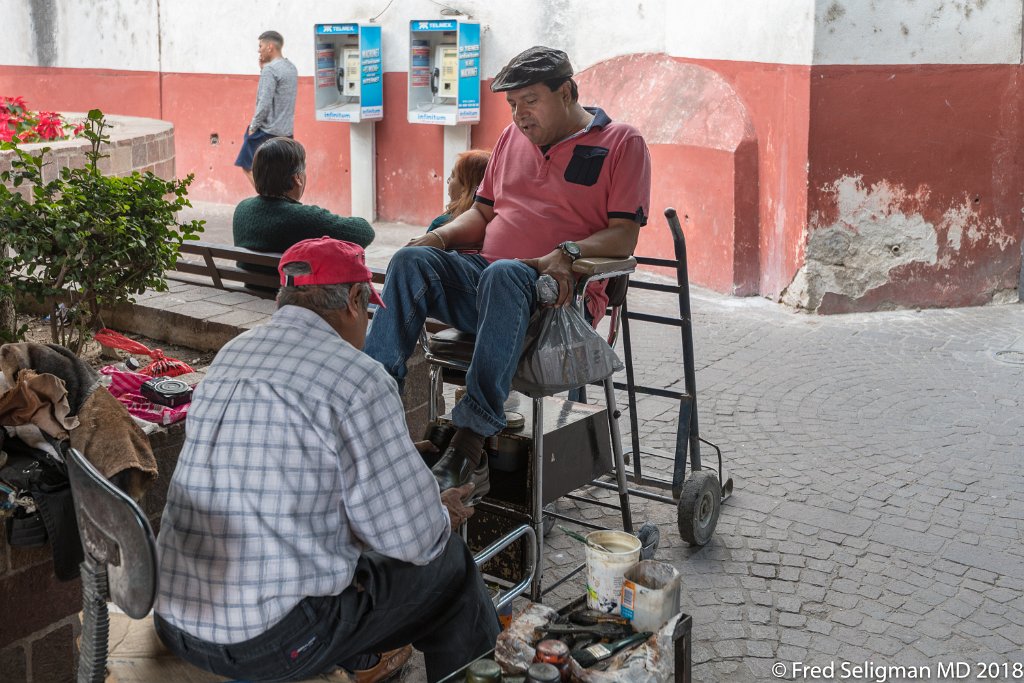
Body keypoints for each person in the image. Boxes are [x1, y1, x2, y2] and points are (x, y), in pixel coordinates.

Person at [153, 237, 500, 683]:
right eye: (368, 308)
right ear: (355, 300)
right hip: (265, 643)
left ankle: (361, 659)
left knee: (345, 554)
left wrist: (374, 463)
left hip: (176, 619)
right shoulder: (358, 378)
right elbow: (415, 540)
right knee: (450, 567)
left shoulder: (232, 355)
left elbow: (285, 469)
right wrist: (439, 511)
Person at [364, 46, 651, 501]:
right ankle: (370, 418)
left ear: (568, 92)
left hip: (558, 303)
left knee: (506, 274)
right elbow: (480, 215)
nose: (519, 115)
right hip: (488, 285)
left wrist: (568, 251)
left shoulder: (622, 142)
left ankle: (468, 444)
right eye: (512, 105)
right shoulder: (509, 140)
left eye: (530, 101)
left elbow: (623, 236)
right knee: (410, 262)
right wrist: (435, 240)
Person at [233, 137, 374, 285]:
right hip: (295, 297)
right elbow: (364, 232)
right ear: (298, 178)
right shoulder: (302, 218)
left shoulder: (242, 209)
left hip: (254, 290)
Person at [236, 30, 298, 188]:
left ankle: (267, 202)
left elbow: (264, 102)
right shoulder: (291, 68)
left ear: (270, 47)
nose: (259, 50)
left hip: (266, 133)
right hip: (286, 133)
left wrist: (253, 127)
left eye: (261, 45)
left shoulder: (271, 70)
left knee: (248, 166)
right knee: (281, 174)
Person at [427, 149, 491, 232]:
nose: (448, 180)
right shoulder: (490, 225)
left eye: (453, 176)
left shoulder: (441, 224)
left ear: (466, 188)